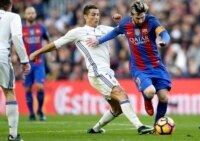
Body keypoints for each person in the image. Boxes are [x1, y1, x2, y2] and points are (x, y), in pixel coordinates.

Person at [29, 4, 154, 135]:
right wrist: (37, 53)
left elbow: (126, 32)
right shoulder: (77, 32)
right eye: (93, 14)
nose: (96, 17)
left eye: (98, 14)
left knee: (117, 109)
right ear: (85, 16)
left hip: (107, 72)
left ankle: (96, 129)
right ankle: (139, 127)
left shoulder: (105, 29)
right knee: (121, 94)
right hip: (97, 73)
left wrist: (119, 23)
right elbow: (56, 44)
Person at [86, 0, 171, 125]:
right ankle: (147, 99)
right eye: (138, 18)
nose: (141, 20)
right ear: (131, 15)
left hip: (156, 65)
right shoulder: (125, 24)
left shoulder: (151, 21)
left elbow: (164, 34)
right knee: (150, 91)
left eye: (142, 17)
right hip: (139, 67)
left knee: (164, 97)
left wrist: (164, 41)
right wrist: (99, 41)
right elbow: (114, 33)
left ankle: (157, 125)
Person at [0, 0, 31, 140]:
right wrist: (24, 60)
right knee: (9, 92)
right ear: (10, 6)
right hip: (1, 55)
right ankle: (13, 135)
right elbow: (17, 36)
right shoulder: (13, 16)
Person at [22, 6, 50, 121]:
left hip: (39, 63)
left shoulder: (41, 28)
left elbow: (48, 40)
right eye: (28, 13)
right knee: (28, 88)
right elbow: (15, 43)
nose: (30, 15)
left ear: (35, 14)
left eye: (32, 13)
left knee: (39, 87)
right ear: (25, 15)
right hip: (25, 63)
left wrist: (52, 54)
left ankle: (40, 110)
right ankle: (31, 113)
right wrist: (13, 54)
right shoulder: (20, 29)